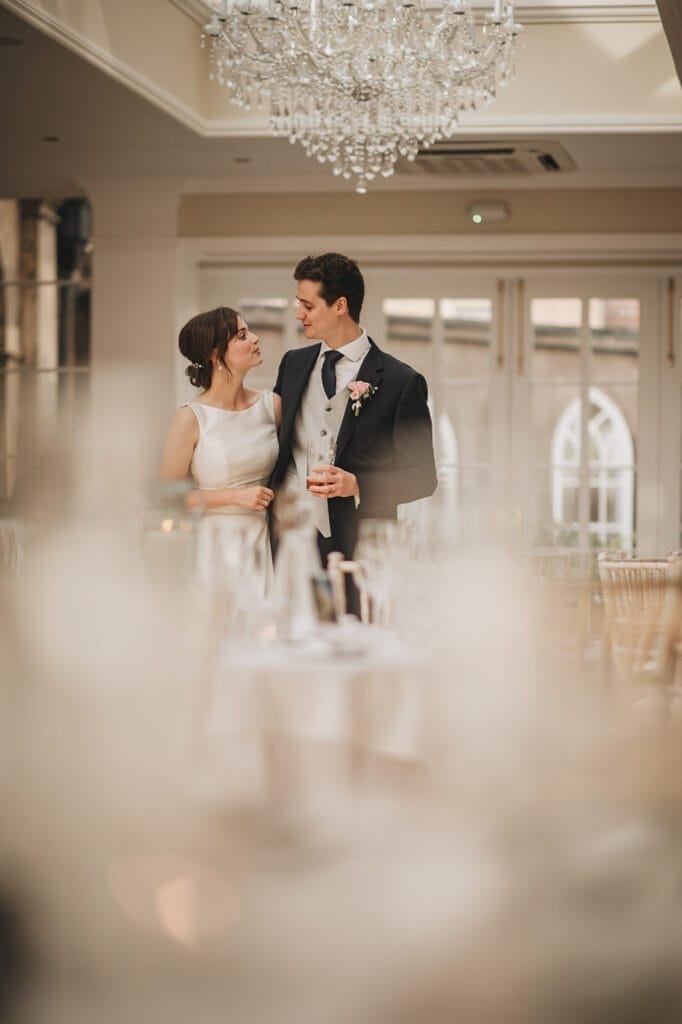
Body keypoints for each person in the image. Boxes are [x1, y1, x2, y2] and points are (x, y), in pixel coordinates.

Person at [271, 252, 437, 582]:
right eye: (297, 302)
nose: (298, 313)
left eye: (308, 305)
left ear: (340, 306)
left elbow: (423, 477)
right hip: (290, 542)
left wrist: (357, 484)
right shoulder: (293, 364)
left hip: (360, 548)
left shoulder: (401, 382)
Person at [161, 306, 280, 594]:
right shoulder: (191, 417)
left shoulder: (272, 405)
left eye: (249, 331)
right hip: (215, 547)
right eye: (242, 335)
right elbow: (168, 498)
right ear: (215, 354)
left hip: (267, 542)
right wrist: (235, 496)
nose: (254, 338)